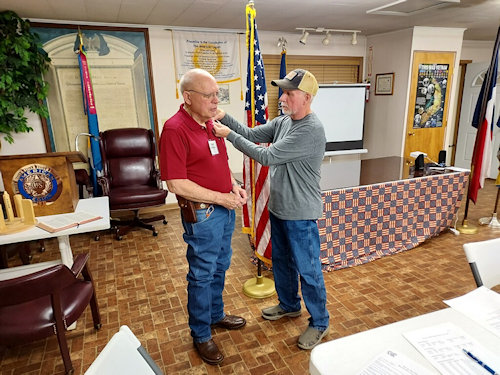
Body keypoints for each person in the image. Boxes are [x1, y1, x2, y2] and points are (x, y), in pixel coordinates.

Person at [213, 68, 330, 350]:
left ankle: (320, 322)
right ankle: (289, 305)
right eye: (283, 92)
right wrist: (223, 116)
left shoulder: (311, 130)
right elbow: (252, 134)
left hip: (300, 214)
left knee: (309, 270)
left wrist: (227, 134)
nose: (283, 97)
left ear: (307, 97)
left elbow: (266, 156)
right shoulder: (284, 122)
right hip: (279, 209)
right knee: (283, 264)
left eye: (290, 93)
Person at [159, 68, 247, 365]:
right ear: (188, 97)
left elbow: (219, 163)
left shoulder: (211, 123)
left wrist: (234, 187)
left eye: (217, 94)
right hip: (204, 213)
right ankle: (200, 333)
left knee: (220, 266)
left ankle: (215, 315)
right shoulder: (174, 129)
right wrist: (222, 197)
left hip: (224, 208)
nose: (215, 100)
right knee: (202, 274)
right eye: (208, 95)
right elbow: (176, 183)